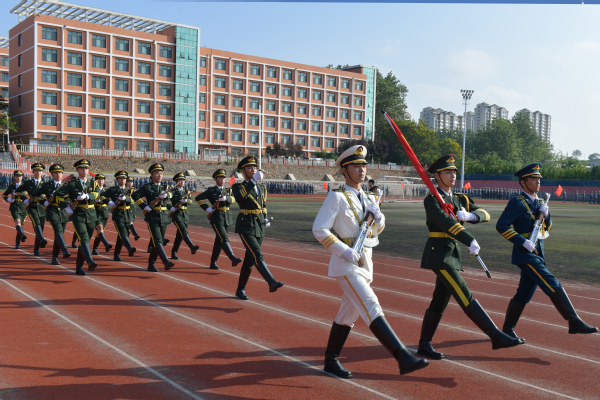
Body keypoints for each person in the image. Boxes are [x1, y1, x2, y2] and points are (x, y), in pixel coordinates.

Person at [313, 145, 428, 378]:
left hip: (365, 262)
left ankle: (331, 359)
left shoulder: (368, 198)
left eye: (364, 165)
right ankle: (402, 356)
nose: (362, 169)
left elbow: (374, 231)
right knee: (370, 303)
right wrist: (343, 250)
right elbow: (319, 229)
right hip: (346, 263)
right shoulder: (336, 197)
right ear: (344, 170)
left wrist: (379, 218)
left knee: (348, 314)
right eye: (356, 166)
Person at [417, 154, 524, 361]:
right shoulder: (432, 200)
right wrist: (469, 239)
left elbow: (485, 213)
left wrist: (471, 216)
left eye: (454, 172)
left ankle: (424, 344)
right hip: (440, 255)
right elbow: (445, 223)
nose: (453, 175)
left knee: (440, 299)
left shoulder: (460, 199)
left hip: (452, 253)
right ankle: (495, 335)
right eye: (448, 172)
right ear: (437, 176)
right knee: (463, 292)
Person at [497, 163, 598, 338]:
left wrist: (547, 215)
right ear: (523, 182)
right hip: (525, 254)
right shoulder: (517, 203)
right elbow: (501, 225)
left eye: (539, 179)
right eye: (533, 179)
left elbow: (547, 228)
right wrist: (522, 241)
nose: (538, 182)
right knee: (552, 282)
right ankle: (573, 321)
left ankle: (507, 330)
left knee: (524, 293)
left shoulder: (540, 202)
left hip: (538, 252)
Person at [232, 157, 283, 300]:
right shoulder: (238, 186)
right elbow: (241, 197)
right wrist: (253, 181)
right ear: (243, 171)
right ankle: (271, 281)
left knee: (250, 259)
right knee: (257, 254)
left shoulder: (262, 188)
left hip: (259, 225)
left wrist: (265, 217)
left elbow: (263, 205)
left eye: (254, 167)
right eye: (249, 168)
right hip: (246, 225)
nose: (253, 170)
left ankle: (240, 289)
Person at [54, 159, 101, 276]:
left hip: (91, 214)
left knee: (85, 241)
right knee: (83, 237)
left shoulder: (93, 183)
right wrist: (66, 207)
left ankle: (79, 267)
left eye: (86, 168)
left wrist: (87, 196)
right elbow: (58, 195)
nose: (84, 170)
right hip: (78, 214)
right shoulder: (72, 183)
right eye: (82, 168)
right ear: (77, 170)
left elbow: (97, 193)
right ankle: (90, 261)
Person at [195, 169, 242, 269]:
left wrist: (226, 198)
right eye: (220, 178)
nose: (222, 180)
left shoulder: (228, 190)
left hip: (227, 217)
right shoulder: (211, 190)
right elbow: (198, 198)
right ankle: (233, 258)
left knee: (219, 241)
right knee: (224, 238)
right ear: (215, 179)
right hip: (216, 217)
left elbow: (234, 199)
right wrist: (207, 208)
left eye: (223, 178)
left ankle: (213, 262)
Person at [131, 163, 175, 272]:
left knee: (157, 242)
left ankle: (151, 264)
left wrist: (167, 195)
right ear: (152, 175)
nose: (159, 175)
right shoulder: (147, 187)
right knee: (157, 240)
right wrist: (144, 206)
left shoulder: (165, 187)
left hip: (164, 217)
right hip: (152, 217)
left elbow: (172, 193)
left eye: (161, 173)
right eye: (157, 173)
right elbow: (135, 195)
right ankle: (166, 261)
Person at [32, 164, 71, 265]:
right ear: (52, 174)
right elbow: (35, 194)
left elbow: (72, 197)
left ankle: (55, 257)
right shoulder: (47, 185)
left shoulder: (67, 185)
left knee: (59, 235)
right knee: (58, 230)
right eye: (56, 173)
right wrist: (44, 201)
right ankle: (64, 249)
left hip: (63, 211)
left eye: (60, 173)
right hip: (52, 210)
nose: (58, 174)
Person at [15, 163, 48, 256]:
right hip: (32, 207)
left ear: (42, 172)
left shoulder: (46, 184)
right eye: (36, 170)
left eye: (40, 171)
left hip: (42, 208)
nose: (38, 172)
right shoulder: (28, 183)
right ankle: (41, 240)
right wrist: (25, 199)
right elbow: (18, 191)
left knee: (41, 228)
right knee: (36, 223)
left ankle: (37, 248)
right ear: (33, 172)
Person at [103, 171, 137, 261]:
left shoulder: (130, 190)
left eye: (124, 179)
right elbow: (102, 196)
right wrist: (110, 203)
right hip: (118, 214)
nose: (123, 180)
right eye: (121, 178)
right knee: (122, 232)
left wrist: (126, 198)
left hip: (128, 213)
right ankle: (129, 248)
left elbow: (134, 199)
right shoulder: (113, 190)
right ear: (117, 180)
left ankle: (116, 254)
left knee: (124, 234)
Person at [169, 173, 200, 260]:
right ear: (176, 182)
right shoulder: (173, 191)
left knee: (180, 236)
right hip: (177, 215)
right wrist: (171, 207)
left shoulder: (186, 192)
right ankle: (192, 246)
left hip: (185, 215)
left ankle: (174, 253)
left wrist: (186, 201)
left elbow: (191, 201)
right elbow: (167, 198)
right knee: (183, 230)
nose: (182, 181)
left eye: (183, 180)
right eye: (180, 180)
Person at [2, 170, 28, 249]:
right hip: (14, 206)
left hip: (23, 207)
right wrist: (9, 199)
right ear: (14, 177)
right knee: (17, 221)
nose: (18, 178)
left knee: (21, 225)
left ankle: (18, 241)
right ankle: (22, 235)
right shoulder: (12, 186)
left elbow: (32, 193)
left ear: (22, 177)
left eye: (20, 176)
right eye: (17, 176)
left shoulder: (26, 186)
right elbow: (4, 195)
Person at [92, 174, 113, 255]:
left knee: (99, 233)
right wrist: (94, 201)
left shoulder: (106, 190)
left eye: (102, 179)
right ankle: (106, 244)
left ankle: (94, 249)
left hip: (104, 213)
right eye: (98, 179)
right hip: (96, 212)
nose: (100, 181)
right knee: (100, 229)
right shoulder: (93, 190)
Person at [126, 176, 141, 241]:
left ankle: (126, 240)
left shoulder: (134, 191)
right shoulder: (124, 190)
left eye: (131, 182)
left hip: (132, 208)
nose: (130, 183)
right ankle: (135, 234)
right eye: (128, 182)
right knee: (130, 222)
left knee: (128, 227)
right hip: (126, 208)